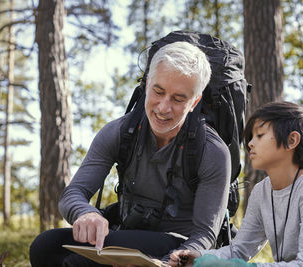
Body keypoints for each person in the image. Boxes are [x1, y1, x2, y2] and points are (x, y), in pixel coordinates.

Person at [29, 41, 231, 266]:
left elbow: (205, 234)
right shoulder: (120, 132)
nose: (163, 108)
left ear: (194, 102)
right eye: (158, 91)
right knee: (45, 247)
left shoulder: (212, 151)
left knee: (80, 261)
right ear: (146, 85)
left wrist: (169, 262)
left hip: (175, 245)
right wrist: (86, 213)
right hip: (123, 233)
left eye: (178, 99)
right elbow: (73, 193)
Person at [169, 101, 303, 267]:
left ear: (292, 140)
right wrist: (199, 257)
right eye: (251, 137)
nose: (250, 143)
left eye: (259, 135)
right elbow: (239, 250)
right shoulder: (261, 192)